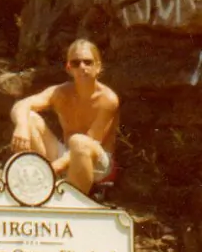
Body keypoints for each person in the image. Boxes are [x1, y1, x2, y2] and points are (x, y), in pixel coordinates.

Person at [10, 39, 120, 195]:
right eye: (76, 63)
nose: (82, 67)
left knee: (79, 142)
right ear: (69, 68)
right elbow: (21, 105)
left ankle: (70, 200)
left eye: (87, 62)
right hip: (66, 155)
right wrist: (21, 126)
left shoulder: (108, 99)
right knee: (29, 118)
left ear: (98, 66)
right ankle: (40, 190)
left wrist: (53, 168)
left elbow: (93, 140)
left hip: (97, 161)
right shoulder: (59, 93)